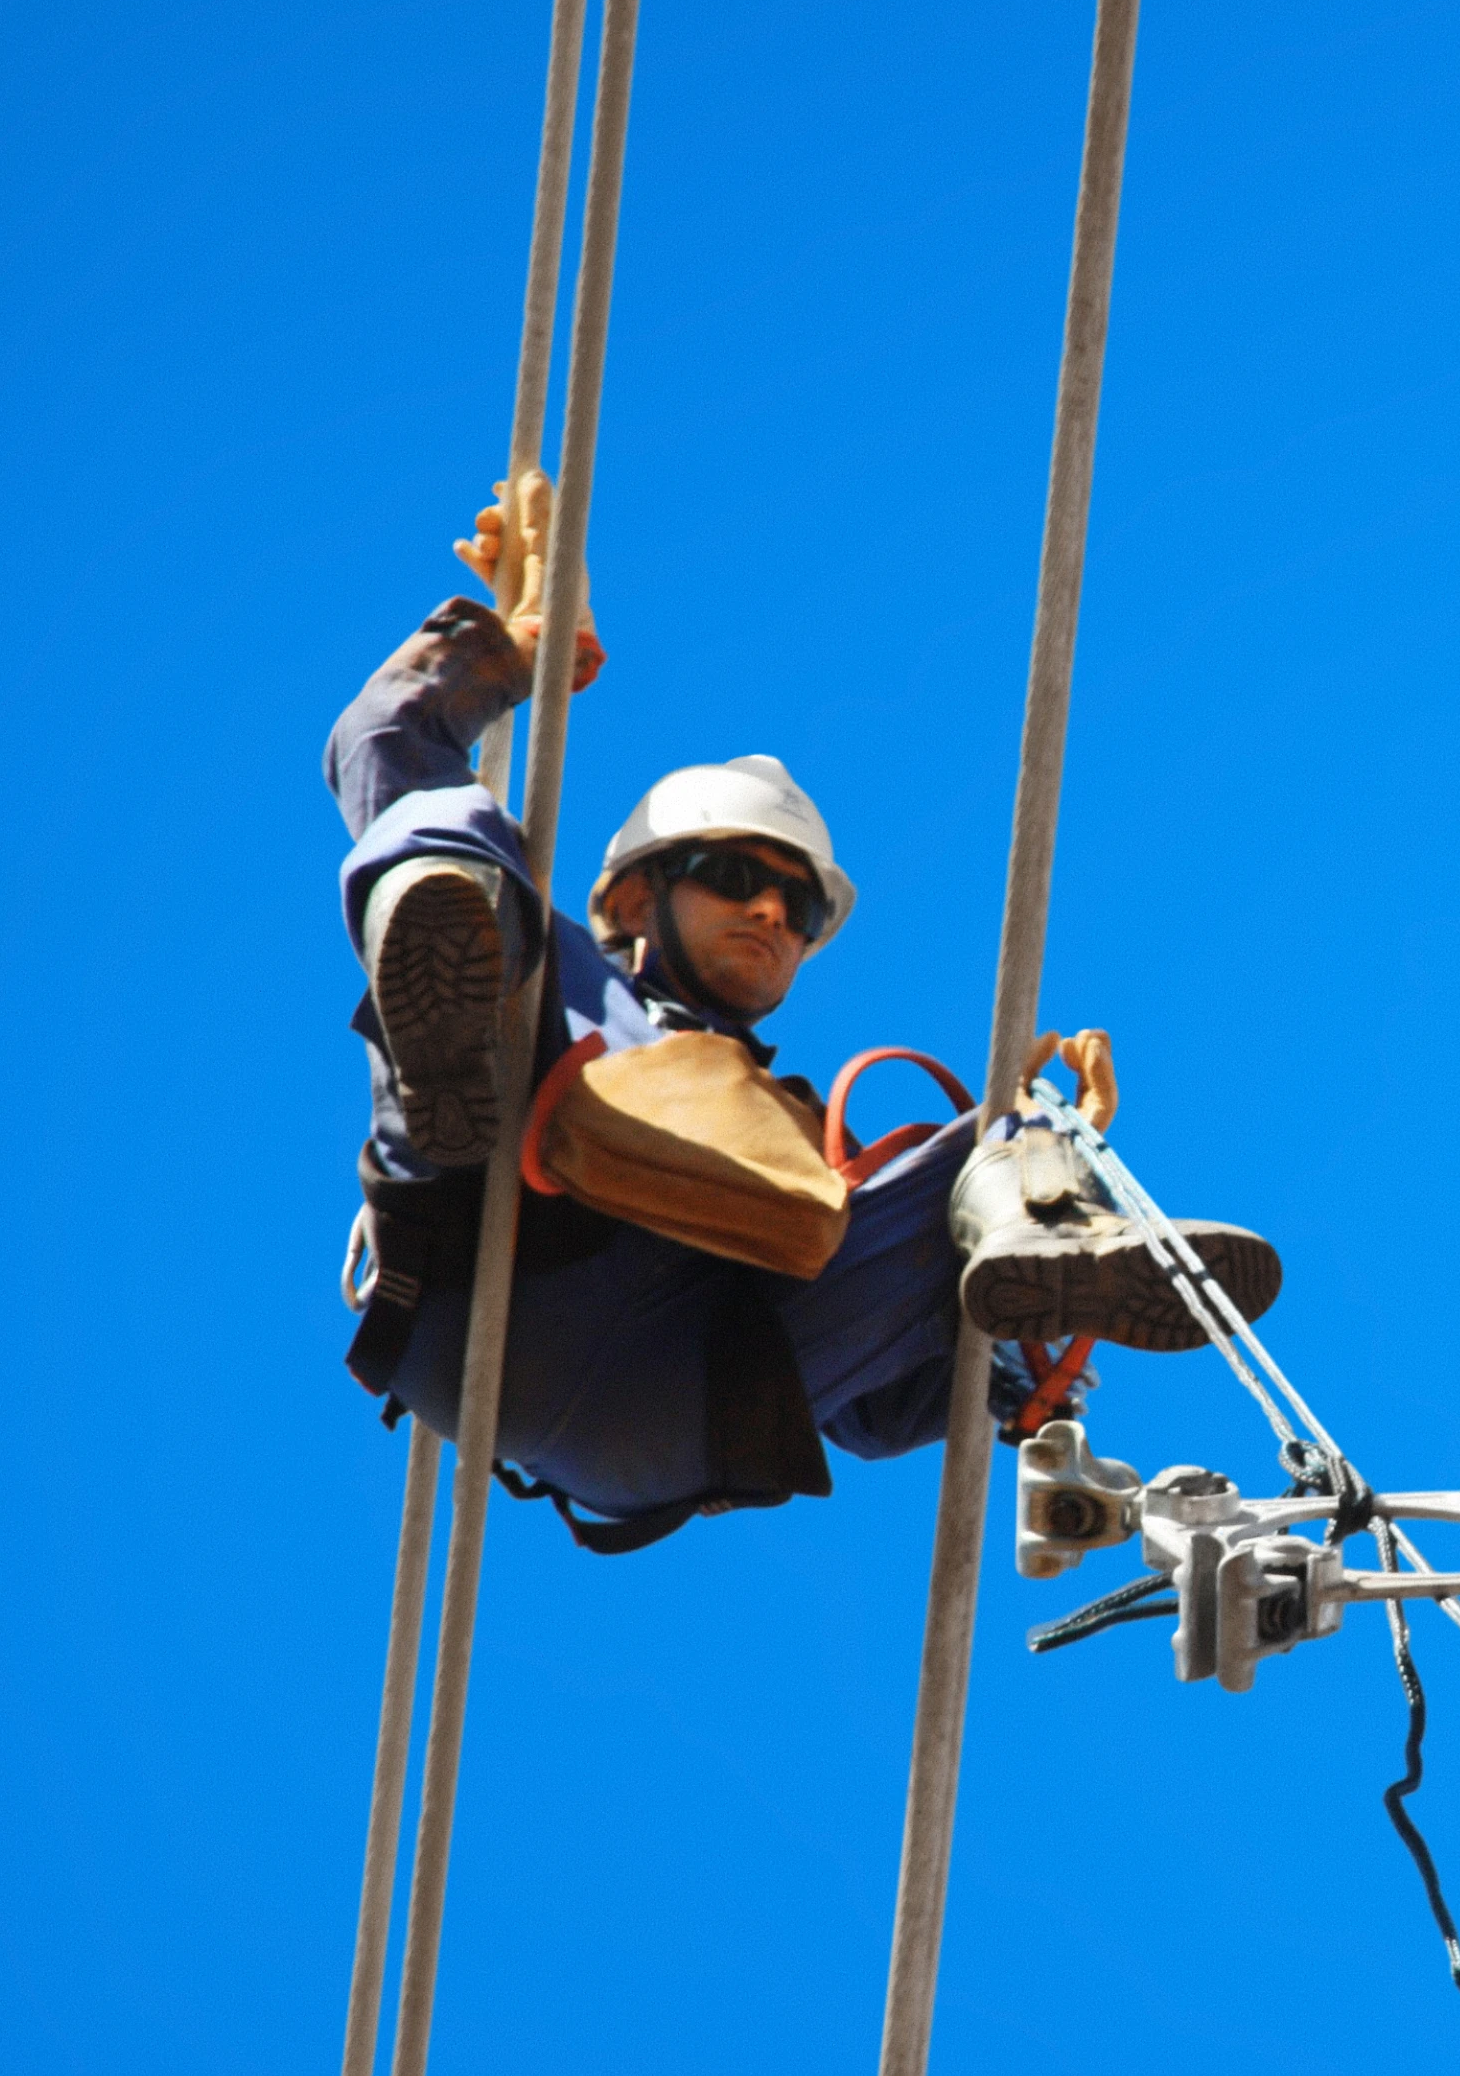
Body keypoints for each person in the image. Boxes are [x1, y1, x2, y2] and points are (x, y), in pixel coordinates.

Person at [326, 485, 1279, 1552]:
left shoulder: (782, 1148)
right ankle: (448, 1057)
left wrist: (1035, 1203)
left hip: (676, 1399)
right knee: (466, 853)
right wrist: (519, 647)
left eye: (801, 902)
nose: (772, 910)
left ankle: (1038, 1233)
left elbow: (872, 1417)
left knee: (1000, 1141)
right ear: (638, 897)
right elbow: (378, 736)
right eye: (733, 875)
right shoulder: (560, 973)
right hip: (478, 1255)